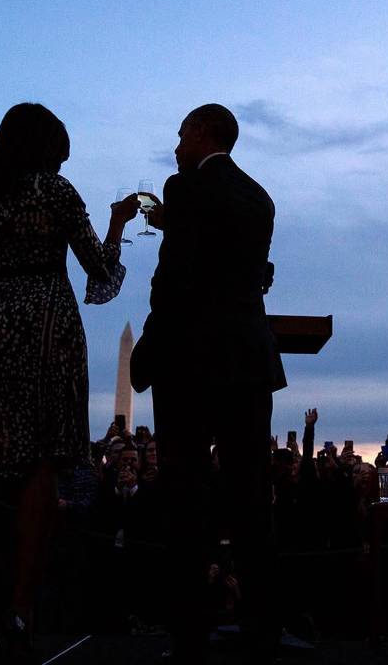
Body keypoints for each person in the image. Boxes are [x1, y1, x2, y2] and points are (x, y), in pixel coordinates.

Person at [0, 102, 138, 651]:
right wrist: (118, 224)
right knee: (41, 463)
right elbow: (99, 269)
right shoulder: (56, 192)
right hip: (48, 322)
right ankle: (21, 609)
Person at [131, 103, 286, 664]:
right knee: (251, 501)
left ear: (201, 133)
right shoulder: (260, 197)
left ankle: (190, 634)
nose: (175, 147)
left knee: (187, 497)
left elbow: (176, 275)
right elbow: (241, 269)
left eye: (180, 135)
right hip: (246, 360)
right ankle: (261, 631)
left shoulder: (182, 188)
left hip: (191, 362)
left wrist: (150, 341)